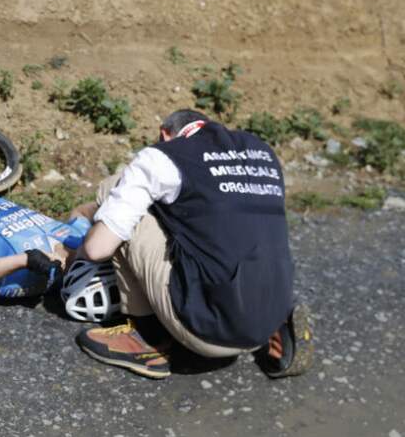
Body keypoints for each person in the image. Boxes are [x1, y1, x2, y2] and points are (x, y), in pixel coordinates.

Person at [68, 109, 314, 379]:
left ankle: (149, 338)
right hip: (268, 313)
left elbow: (97, 249)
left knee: (114, 188)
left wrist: (72, 255)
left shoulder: (165, 156)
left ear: (165, 134)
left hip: (207, 332)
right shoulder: (261, 153)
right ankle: (274, 320)